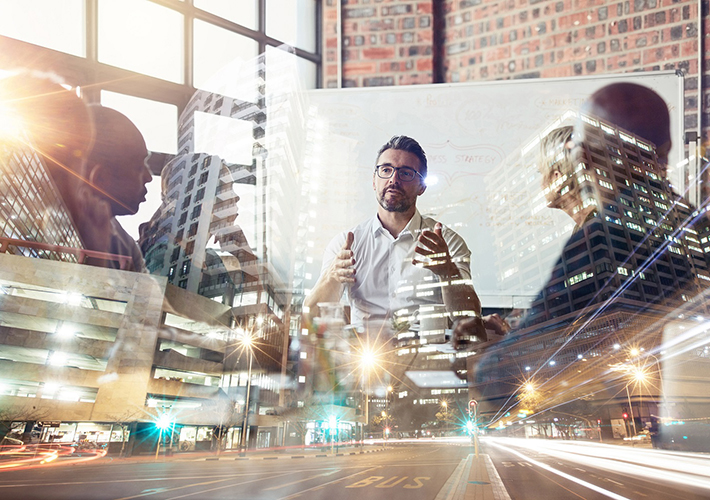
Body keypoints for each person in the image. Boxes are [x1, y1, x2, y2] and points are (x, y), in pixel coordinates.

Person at [305, 135, 486, 348]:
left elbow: (470, 318)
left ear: (422, 186)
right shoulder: (346, 244)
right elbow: (310, 317)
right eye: (386, 170)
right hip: (364, 362)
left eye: (406, 173)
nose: (394, 179)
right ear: (374, 181)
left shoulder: (447, 242)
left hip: (428, 363)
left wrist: (447, 271)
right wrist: (331, 277)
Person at [84, 104, 152, 272]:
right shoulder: (54, 234)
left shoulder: (125, 245)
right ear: (99, 178)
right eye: (138, 167)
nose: (149, 177)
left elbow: (151, 297)